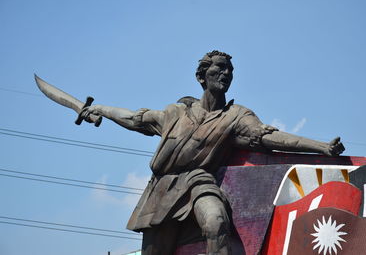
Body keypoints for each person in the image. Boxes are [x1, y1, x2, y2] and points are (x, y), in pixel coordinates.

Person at [81, 50, 345, 255]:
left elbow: (268, 137)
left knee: (216, 221)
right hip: (162, 191)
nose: (226, 73)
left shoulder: (236, 116)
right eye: (220, 67)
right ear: (201, 76)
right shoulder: (176, 113)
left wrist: (321, 147)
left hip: (199, 182)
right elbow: (132, 118)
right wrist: (99, 110)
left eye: (230, 69)